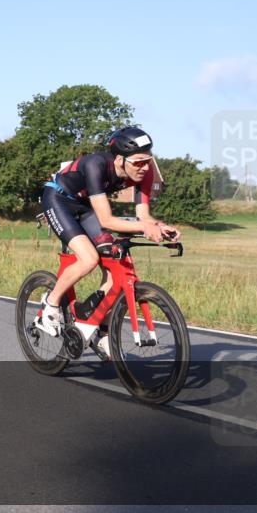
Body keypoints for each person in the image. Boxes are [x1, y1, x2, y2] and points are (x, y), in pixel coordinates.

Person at [37, 127, 180, 359]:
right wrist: (145, 228)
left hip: (85, 207)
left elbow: (143, 217)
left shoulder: (146, 173)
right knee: (89, 258)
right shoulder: (96, 165)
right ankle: (51, 304)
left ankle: (98, 327)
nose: (145, 167)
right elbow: (106, 220)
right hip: (59, 200)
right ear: (120, 159)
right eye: (139, 162)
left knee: (116, 267)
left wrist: (159, 226)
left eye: (148, 160)